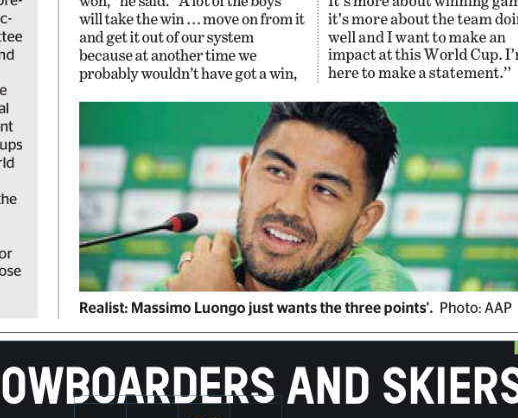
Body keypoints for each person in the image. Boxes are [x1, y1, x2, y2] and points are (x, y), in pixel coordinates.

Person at [167, 101, 416, 295]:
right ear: (245, 177)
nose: (290, 207)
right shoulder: (179, 290)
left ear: (364, 222)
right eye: (277, 172)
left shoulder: (379, 288)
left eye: (325, 190)